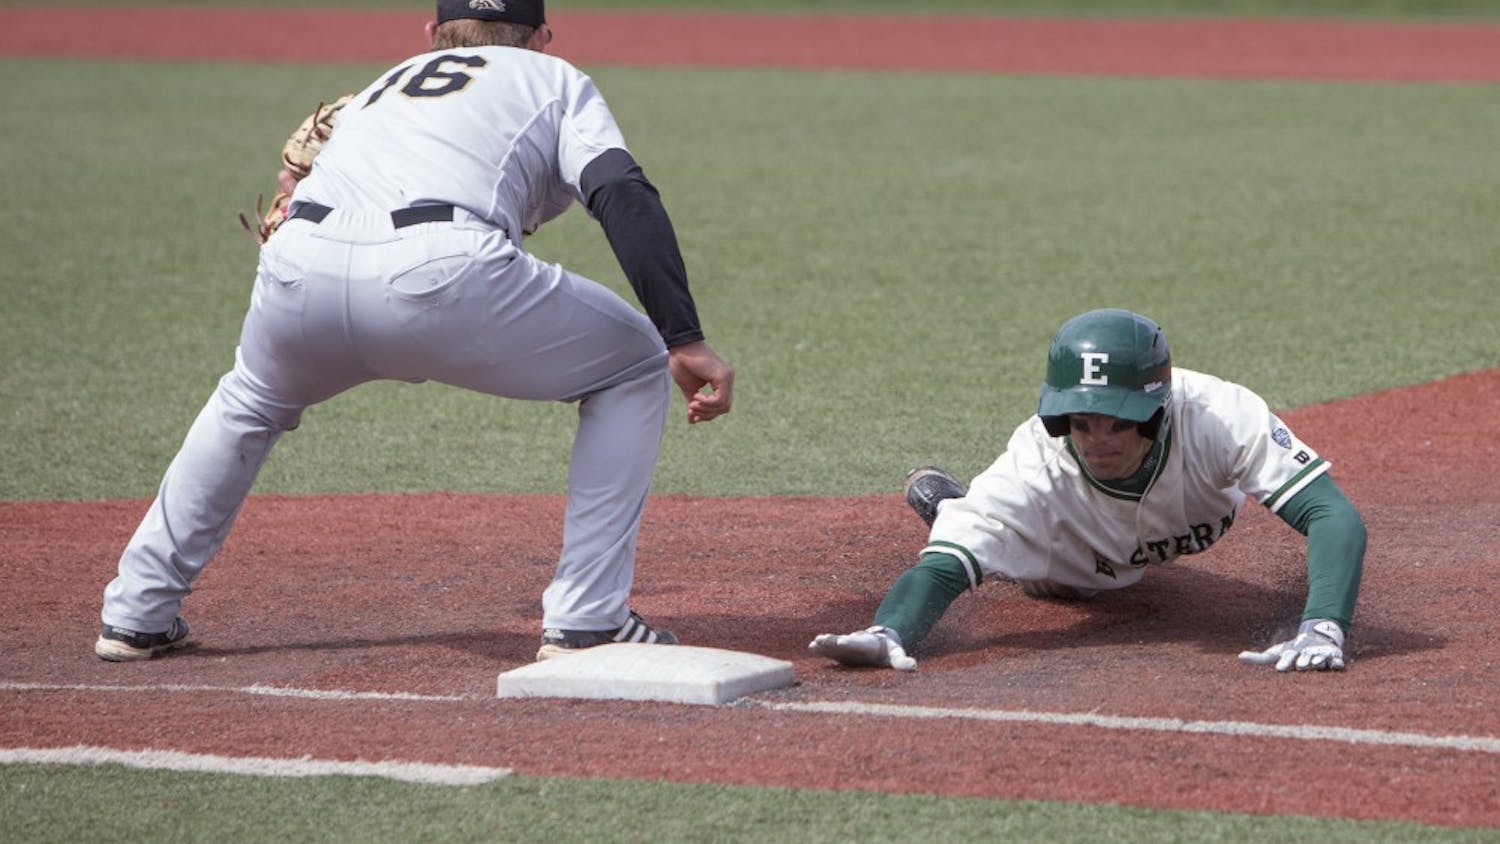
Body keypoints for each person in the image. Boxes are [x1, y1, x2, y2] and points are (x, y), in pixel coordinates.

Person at [94, 0, 734, 662]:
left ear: (432, 34)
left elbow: (304, 181)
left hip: (299, 264)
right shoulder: (554, 77)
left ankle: (137, 609)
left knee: (249, 400)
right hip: (441, 270)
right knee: (634, 363)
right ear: (542, 37)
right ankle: (588, 617)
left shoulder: (385, 85)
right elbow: (619, 189)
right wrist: (682, 336)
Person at [810, 308, 1364, 673]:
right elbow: (941, 568)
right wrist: (889, 631)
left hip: (1190, 511)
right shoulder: (1033, 466)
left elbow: (1332, 514)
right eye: (1082, 421)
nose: (1098, 439)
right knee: (1043, 575)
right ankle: (971, 520)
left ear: (1157, 410)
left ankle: (983, 526)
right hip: (1072, 547)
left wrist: (1324, 627)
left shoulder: (1219, 415)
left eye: (1119, 422)